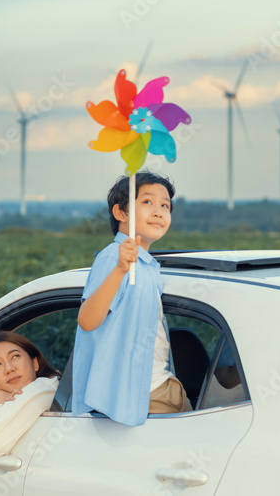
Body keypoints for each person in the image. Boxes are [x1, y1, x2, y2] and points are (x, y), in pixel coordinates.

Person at [71, 171, 191, 426]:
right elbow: (88, 320)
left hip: (162, 384)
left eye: (165, 205)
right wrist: (119, 269)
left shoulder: (148, 266)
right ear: (121, 213)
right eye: (147, 202)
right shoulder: (113, 257)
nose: (158, 211)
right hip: (138, 394)